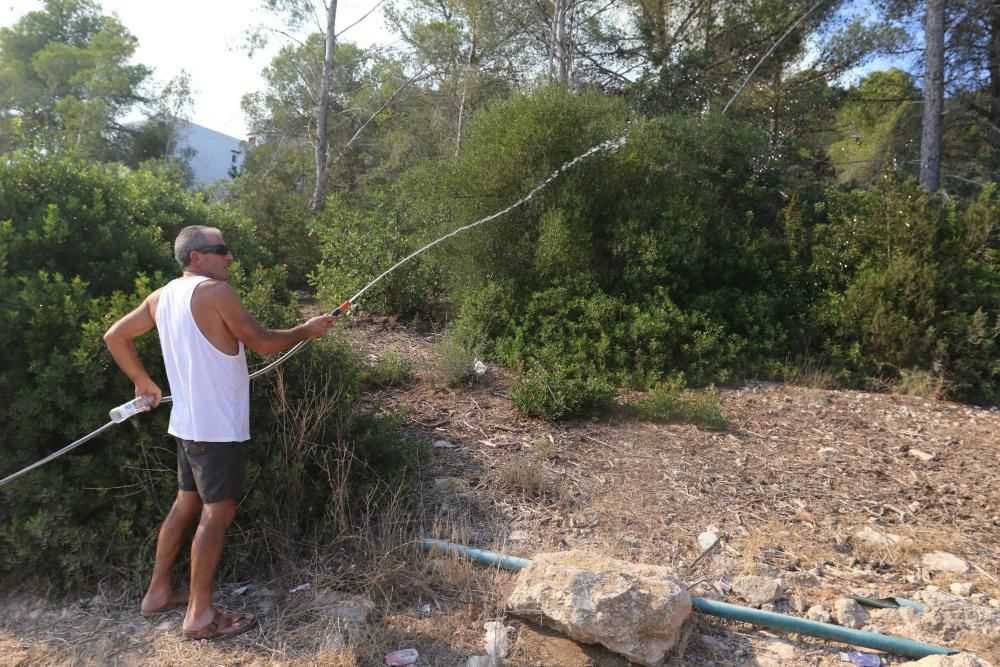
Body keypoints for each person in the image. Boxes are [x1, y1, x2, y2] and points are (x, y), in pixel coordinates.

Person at [103, 225, 335, 640]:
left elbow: (115, 336)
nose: (230, 258)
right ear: (196, 257)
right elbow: (262, 342)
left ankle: (158, 594)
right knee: (217, 513)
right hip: (216, 428)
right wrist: (307, 329)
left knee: (186, 503)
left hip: (190, 426)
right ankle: (199, 615)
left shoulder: (161, 297)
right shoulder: (215, 293)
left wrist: (143, 382)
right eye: (222, 250)